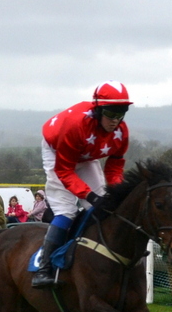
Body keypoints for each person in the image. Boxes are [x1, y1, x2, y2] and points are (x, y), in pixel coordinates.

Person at [32, 80, 132, 288]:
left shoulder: (121, 132)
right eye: (110, 113)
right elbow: (64, 170)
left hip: (86, 154)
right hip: (58, 153)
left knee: (105, 205)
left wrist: (115, 193)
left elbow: (114, 168)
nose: (116, 120)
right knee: (66, 211)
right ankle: (43, 269)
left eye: (121, 112)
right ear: (97, 110)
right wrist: (88, 195)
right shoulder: (76, 126)